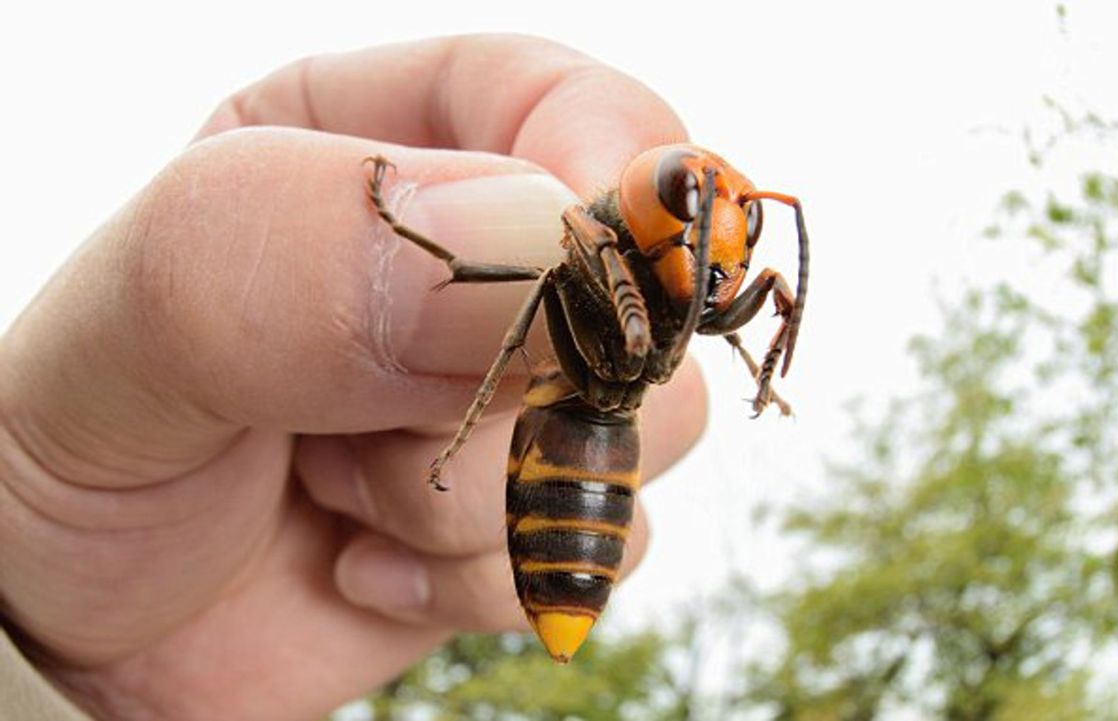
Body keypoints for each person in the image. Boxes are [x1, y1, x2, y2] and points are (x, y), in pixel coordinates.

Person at [0, 35, 707, 720]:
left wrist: (87, 697)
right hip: (576, 452)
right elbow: (514, 277)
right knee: (530, 284)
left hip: (590, 448)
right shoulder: (590, 238)